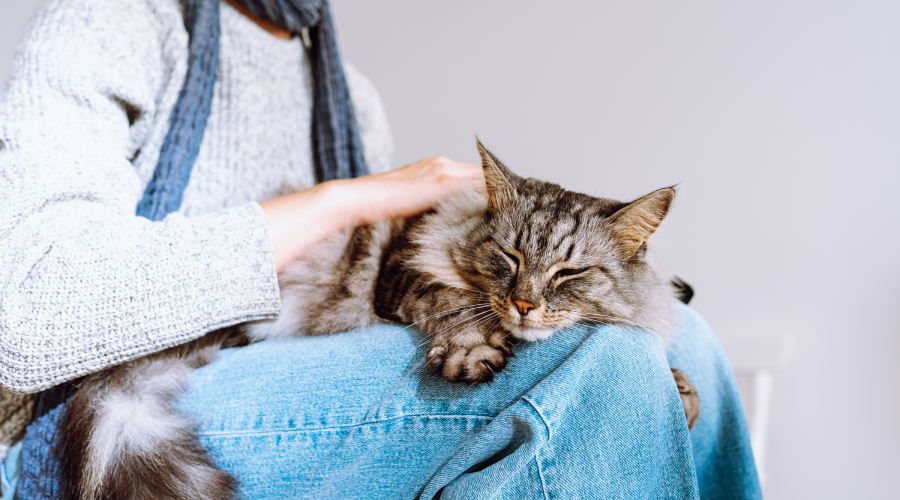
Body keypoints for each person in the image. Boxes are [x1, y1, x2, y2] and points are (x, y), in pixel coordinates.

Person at [0, 0, 761, 498]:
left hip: (293, 352)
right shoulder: (113, 17)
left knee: (686, 341)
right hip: (95, 400)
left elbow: (381, 300)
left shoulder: (347, 90)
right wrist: (340, 199)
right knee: (613, 363)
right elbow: (26, 316)